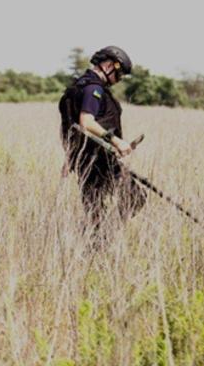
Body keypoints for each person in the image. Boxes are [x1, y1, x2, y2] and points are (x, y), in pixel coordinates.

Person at [59, 45, 146, 231]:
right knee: (136, 198)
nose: (118, 80)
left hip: (84, 162)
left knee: (95, 213)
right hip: (99, 162)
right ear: (108, 66)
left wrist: (69, 157)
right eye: (119, 74)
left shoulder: (75, 88)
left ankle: (97, 240)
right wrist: (117, 141)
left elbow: (71, 128)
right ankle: (108, 232)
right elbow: (85, 122)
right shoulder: (93, 90)